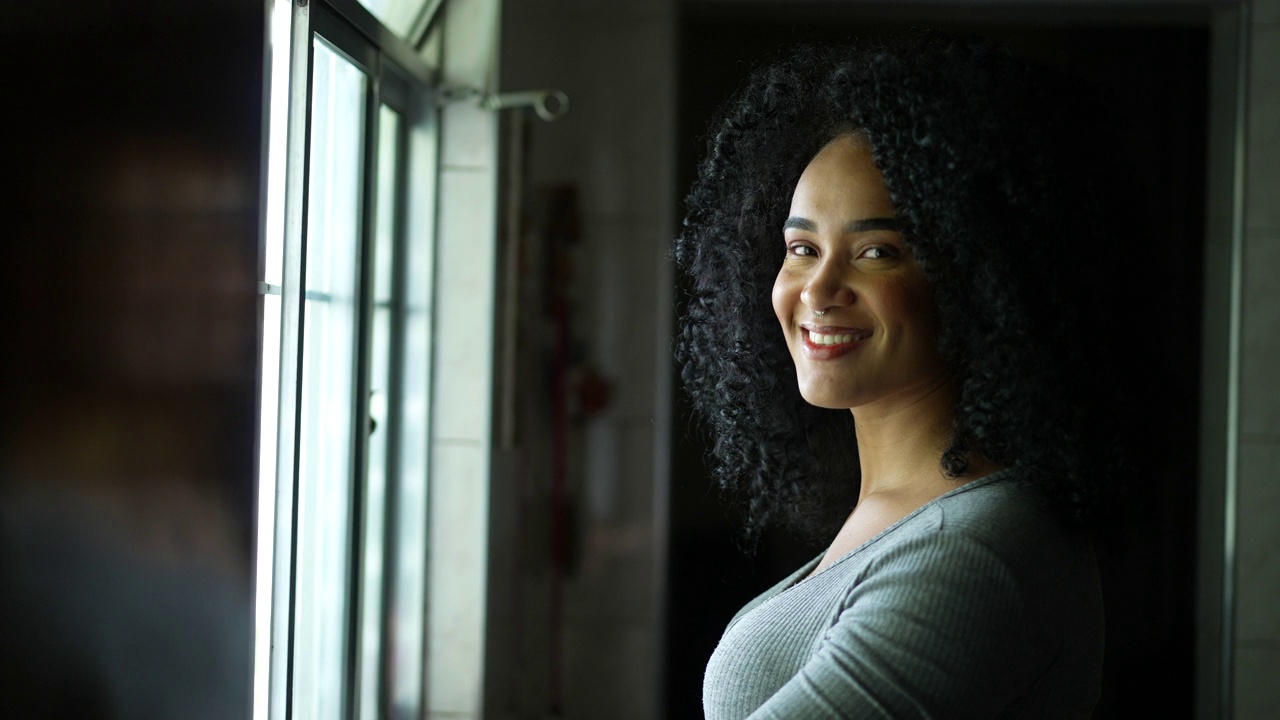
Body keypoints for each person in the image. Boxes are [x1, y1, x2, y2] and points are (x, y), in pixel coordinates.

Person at [675, 33, 1122, 719]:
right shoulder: (911, 518)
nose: (818, 288)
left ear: (981, 281)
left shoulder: (972, 553)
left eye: (877, 251)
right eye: (802, 248)